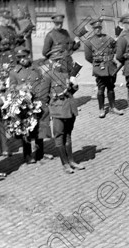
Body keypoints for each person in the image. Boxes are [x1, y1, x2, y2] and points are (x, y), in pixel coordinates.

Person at [40, 46, 83, 174]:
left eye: (61, 60)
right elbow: (43, 95)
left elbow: (72, 90)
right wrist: (53, 104)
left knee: (68, 135)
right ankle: (65, 164)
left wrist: (74, 86)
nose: (59, 62)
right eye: (56, 60)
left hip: (69, 108)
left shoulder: (66, 73)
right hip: (58, 110)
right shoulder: (48, 76)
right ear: (51, 62)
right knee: (59, 136)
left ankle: (71, 160)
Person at [9, 47, 43, 164]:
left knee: (39, 128)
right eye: (20, 58)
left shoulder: (36, 69)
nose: (23, 60)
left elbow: (42, 82)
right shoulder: (14, 72)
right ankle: (27, 155)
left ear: (29, 56)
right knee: (26, 130)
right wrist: (20, 88)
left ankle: (40, 152)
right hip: (24, 105)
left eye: (24, 57)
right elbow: (11, 88)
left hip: (37, 102)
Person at [84, 19, 121, 118]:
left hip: (110, 68)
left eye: (99, 28)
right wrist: (97, 63)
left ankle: (113, 107)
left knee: (111, 88)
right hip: (99, 69)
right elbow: (88, 57)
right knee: (101, 89)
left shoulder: (108, 38)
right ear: (93, 29)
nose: (98, 30)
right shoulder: (89, 41)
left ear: (101, 28)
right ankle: (101, 109)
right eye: (96, 28)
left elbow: (115, 48)